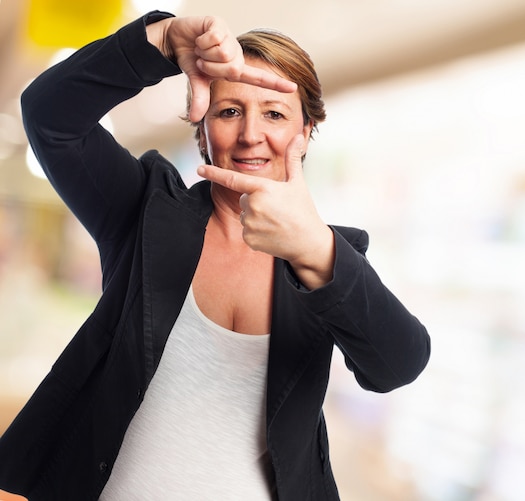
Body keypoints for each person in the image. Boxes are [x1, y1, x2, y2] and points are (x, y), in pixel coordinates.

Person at [0, 10, 430, 501]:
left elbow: (399, 365)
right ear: (201, 129)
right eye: (229, 112)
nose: (251, 134)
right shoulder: (143, 213)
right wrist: (157, 42)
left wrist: (314, 247)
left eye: (274, 112)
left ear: (305, 131)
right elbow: (49, 116)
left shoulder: (328, 260)